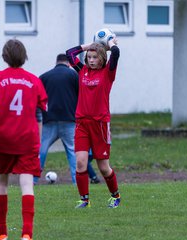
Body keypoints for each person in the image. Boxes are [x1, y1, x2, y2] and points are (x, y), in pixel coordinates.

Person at [0, 39, 48, 240]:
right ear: (24, 57)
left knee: (1, 183)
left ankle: (1, 234)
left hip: (4, 138)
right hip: (28, 138)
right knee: (27, 184)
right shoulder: (35, 81)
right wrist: (39, 139)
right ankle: (27, 234)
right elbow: (39, 114)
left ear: (4, 56)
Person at [66, 36, 121, 208]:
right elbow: (69, 53)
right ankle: (84, 200)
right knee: (81, 162)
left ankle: (116, 196)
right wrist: (90, 46)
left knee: (104, 167)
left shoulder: (108, 73)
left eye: (95, 57)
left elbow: (116, 53)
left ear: (102, 58)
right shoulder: (82, 71)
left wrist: (109, 42)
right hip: (82, 123)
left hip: (100, 124)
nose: (91, 60)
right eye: (89, 57)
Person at [33, 54, 100, 185]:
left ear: (56, 62)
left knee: (40, 150)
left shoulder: (44, 77)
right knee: (74, 152)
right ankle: (77, 182)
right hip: (69, 121)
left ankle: (33, 180)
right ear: (68, 64)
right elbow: (83, 97)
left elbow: (37, 100)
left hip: (48, 121)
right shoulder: (75, 76)